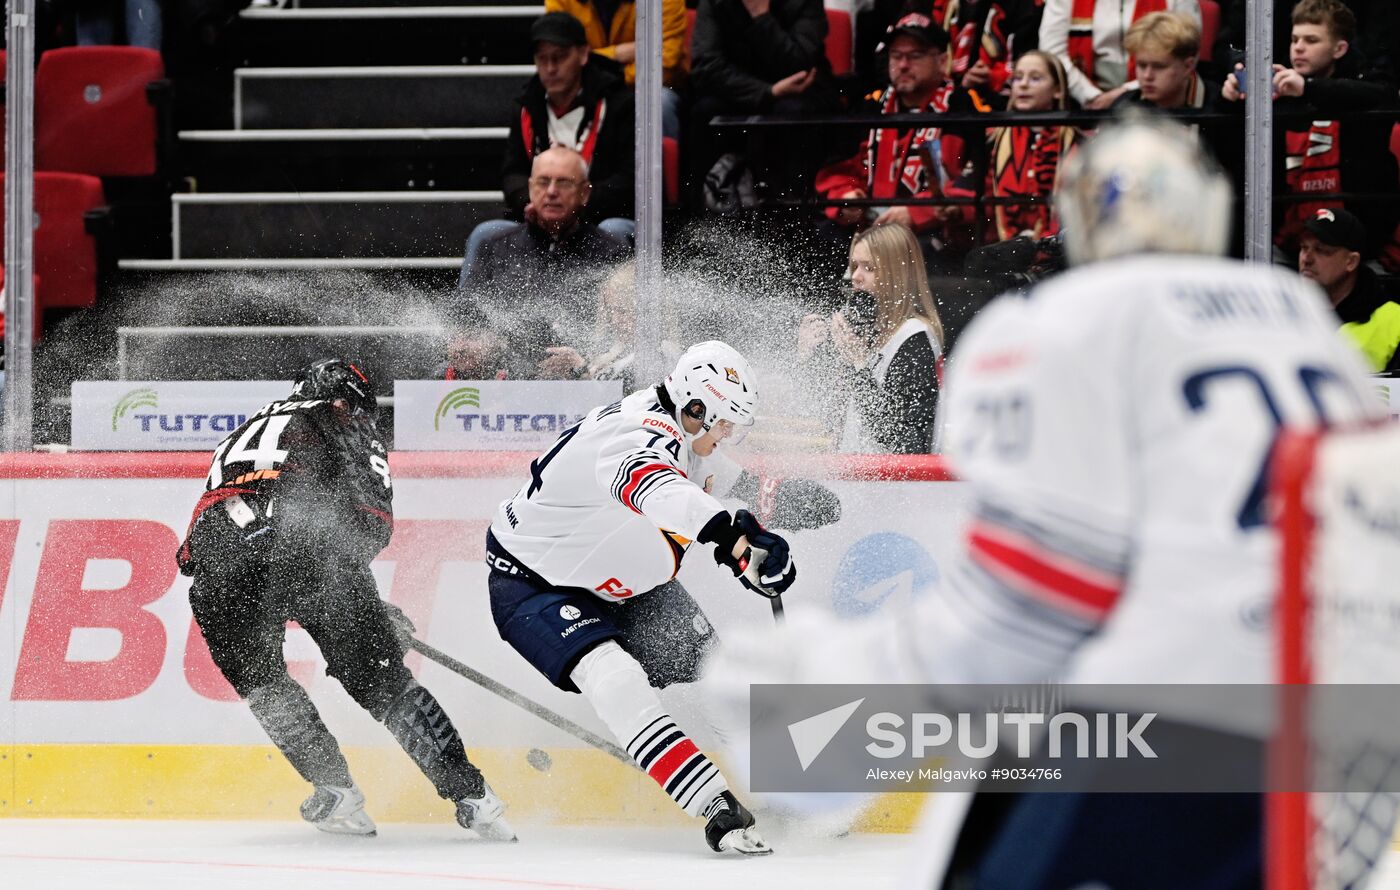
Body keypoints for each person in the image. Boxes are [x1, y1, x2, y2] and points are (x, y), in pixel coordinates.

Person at [703, 114, 1388, 886]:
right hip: (1344, 725)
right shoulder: (1299, 318)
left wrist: (834, 720)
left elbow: (1027, 611)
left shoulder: (1058, 324)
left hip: (1181, 716)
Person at [484, 341, 828, 855]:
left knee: (720, 671)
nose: (728, 435)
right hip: (534, 583)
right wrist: (732, 539)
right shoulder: (638, 433)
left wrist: (786, 503)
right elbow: (652, 485)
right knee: (615, 677)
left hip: (627, 587)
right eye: (724, 423)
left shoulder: (685, 435)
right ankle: (714, 805)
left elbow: (732, 484)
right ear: (694, 410)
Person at [176, 359, 515, 841]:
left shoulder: (250, 425)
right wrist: (368, 614)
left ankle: (334, 789)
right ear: (346, 400)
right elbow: (371, 518)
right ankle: (474, 797)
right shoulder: (342, 418)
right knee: (382, 683)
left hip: (218, 568)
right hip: (302, 556)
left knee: (265, 685)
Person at [1220, 0, 1399, 257]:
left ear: (1339, 49)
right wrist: (1229, 99)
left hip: (1355, 246)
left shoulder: (1364, 83)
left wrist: (1308, 87)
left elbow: (1381, 95)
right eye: (1294, 40)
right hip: (1284, 242)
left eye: (1311, 40)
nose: (1299, 48)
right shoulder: (1277, 85)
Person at [467, 11, 635, 270]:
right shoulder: (525, 106)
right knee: (485, 233)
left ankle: (616, 309)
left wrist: (576, 203)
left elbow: (628, 179)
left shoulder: (618, 104)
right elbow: (513, 173)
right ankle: (469, 310)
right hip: (537, 217)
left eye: (559, 57)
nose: (550, 68)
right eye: (542, 59)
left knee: (616, 230)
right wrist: (532, 202)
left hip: (601, 215)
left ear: (582, 54)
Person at [813, 14, 982, 267]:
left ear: (942, 60)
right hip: (869, 227)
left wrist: (916, 213)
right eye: (896, 56)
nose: (903, 65)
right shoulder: (871, 106)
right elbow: (838, 171)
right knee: (822, 240)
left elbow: (976, 181)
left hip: (933, 232)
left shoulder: (964, 106)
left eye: (915, 56)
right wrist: (847, 196)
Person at [798, 223, 944, 453]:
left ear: (898, 274)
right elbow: (822, 417)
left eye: (869, 268)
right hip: (852, 475)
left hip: (890, 485)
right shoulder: (865, 330)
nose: (855, 277)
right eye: (854, 266)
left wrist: (860, 366)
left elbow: (908, 445)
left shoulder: (915, 339)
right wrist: (807, 359)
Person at [460, 146, 631, 325]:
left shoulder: (613, 252)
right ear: (531, 188)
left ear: (584, 193)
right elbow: (468, 322)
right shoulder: (495, 246)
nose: (551, 192)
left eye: (564, 182)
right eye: (543, 182)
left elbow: (621, 336)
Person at [689, 0, 838, 200]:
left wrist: (761, 16)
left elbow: (800, 62)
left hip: (798, 93)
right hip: (740, 92)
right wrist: (767, 92)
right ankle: (704, 211)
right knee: (704, 111)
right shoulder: (714, 3)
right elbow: (705, 66)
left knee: (792, 114)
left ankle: (791, 212)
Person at [543, 0, 689, 138]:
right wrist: (618, 53)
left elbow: (665, 62)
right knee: (554, 96)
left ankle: (660, 164)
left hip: (647, 85)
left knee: (658, 101)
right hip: (585, 85)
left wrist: (597, 61)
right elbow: (561, 56)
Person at [985, 50, 1084, 243]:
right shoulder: (993, 140)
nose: (1023, 84)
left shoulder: (1078, 144)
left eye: (1035, 78)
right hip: (1006, 248)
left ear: (1058, 90)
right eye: (1017, 77)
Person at [1039, 0, 1201, 108]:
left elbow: (1187, 48)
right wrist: (1090, 96)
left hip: (1152, 93)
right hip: (1080, 98)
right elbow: (1052, 52)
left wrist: (1126, 94)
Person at [1298, 207, 1400, 372]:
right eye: (1303, 248)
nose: (1306, 259)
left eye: (1321, 250)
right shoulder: (1281, 315)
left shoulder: (1394, 322)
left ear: (1351, 262)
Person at [1112, 11, 1219, 110]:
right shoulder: (1123, 106)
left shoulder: (1220, 105)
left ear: (1188, 66)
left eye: (1159, 66)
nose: (1147, 76)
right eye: (1142, 65)